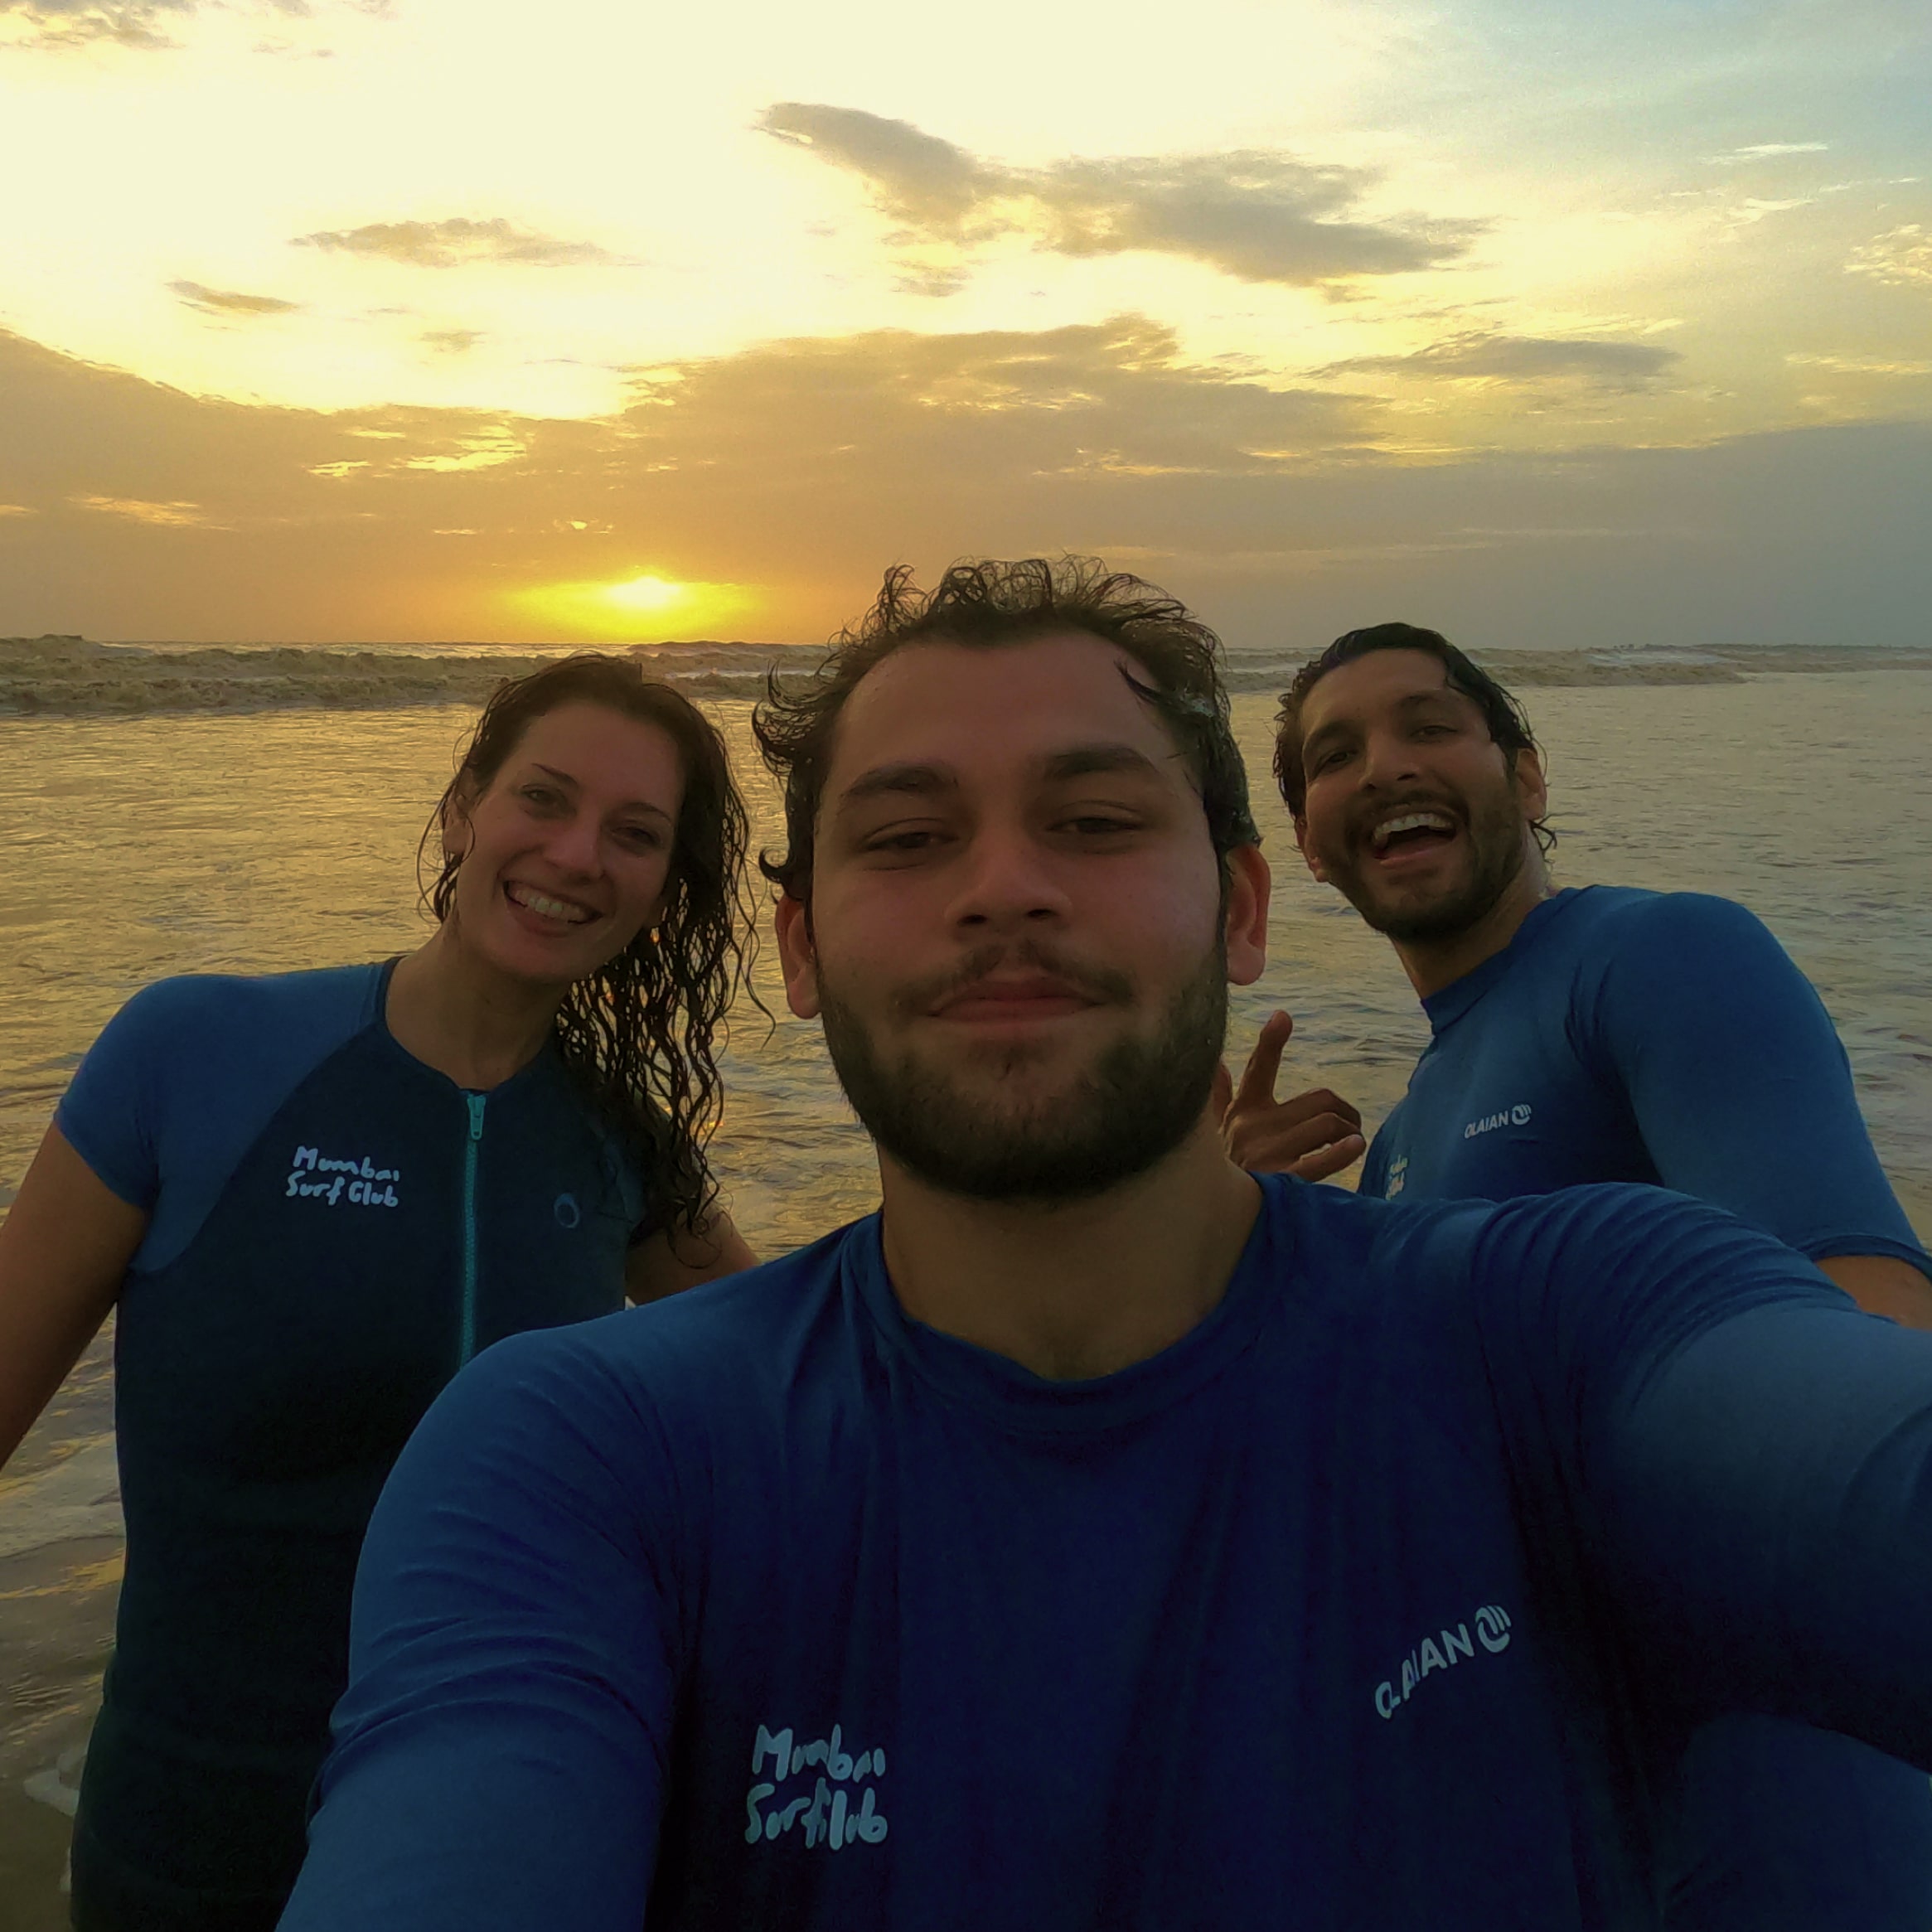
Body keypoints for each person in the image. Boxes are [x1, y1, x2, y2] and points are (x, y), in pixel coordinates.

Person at [282, 562, 1932, 1930]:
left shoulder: (1559, 1325)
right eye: (907, 836)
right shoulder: (583, 1450)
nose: (1003, 885)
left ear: (1236, 907)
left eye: (1089, 818)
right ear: (795, 944)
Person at [0, 654, 758, 1932]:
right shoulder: (192, 1056)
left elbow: (805, 1377)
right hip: (193, 1831)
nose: (578, 853)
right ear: (464, 810)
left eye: (635, 834)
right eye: (544, 799)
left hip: (511, 1848)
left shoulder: (616, 1138)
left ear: (661, 894)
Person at [1223, 619, 1932, 1929]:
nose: (1383, 764)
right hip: (1563, 1827)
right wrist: (1226, 1233)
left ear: (1529, 778)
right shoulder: (1402, 1146)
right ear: (1312, 847)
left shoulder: (1661, 960)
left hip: (1792, 1805)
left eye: (1430, 726)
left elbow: (1865, 1308)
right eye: (1335, 755)